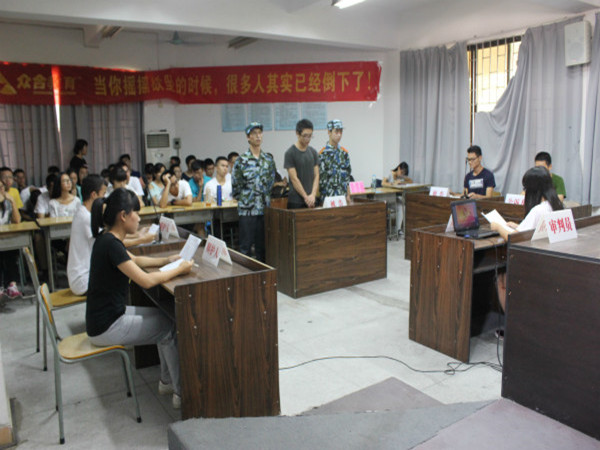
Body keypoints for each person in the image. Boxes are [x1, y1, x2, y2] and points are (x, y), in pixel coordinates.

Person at [86, 188, 193, 409]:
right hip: (107, 325)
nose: (139, 218)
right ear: (123, 216)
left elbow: (136, 261)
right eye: (136, 212)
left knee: (166, 319)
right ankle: (181, 393)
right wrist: (179, 269)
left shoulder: (107, 239)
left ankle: (167, 382)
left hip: (105, 317)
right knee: (169, 328)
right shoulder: (111, 244)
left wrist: (168, 260)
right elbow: (146, 280)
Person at [490, 166, 563, 311]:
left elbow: (514, 238)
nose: (524, 192)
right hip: (551, 265)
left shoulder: (537, 210)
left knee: (501, 278)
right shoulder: (555, 205)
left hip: (533, 267)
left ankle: (509, 322)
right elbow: (533, 231)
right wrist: (517, 226)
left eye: (525, 188)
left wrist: (498, 227)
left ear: (533, 189)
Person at [232, 122, 275, 262]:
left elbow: (270, 182)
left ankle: (263, 274)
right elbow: (236, 185)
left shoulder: (268, 160)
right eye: (254, 133)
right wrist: (246, 198)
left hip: (263, 209)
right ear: (248, 137)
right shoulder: (241, 160)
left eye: (260, 133)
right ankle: (245, 274)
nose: (258, 136)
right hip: (247, 210)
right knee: (245, 247)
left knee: (263, 247)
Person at [67, 175, 107, 296]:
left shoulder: (84, 212)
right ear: (94, 195)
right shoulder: (85, 217)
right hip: (83, 280)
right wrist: (141, 238)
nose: (104, 199)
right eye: (103, 194)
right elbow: (108, 240)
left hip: (84, 275)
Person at [284, 119, 319, 209]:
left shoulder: (313, 152)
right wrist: (306, 197)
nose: (308, 139)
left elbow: (316, 175)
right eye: (305, 136)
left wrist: (313, 195)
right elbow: (294, 179)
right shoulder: (290, 153)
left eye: (310, 136)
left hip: (312, 199)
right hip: (296, 201)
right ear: (297, 133)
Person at [319, 119, 352, 203]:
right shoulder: (322, 154)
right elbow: (318, 178)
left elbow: (347, 177)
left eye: (341, 132)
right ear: (329, 132)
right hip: (327, 198)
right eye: (336, 131)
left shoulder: (344, 153)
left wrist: (348, 195)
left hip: (342, 197)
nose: (339, 135)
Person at [0, 179, 23, 300]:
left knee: (11, 250)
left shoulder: (7, 203)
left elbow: (17, 220)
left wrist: (13, 202)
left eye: (2, 187)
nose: (1, 190)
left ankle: (12, 285)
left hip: (6, 237)